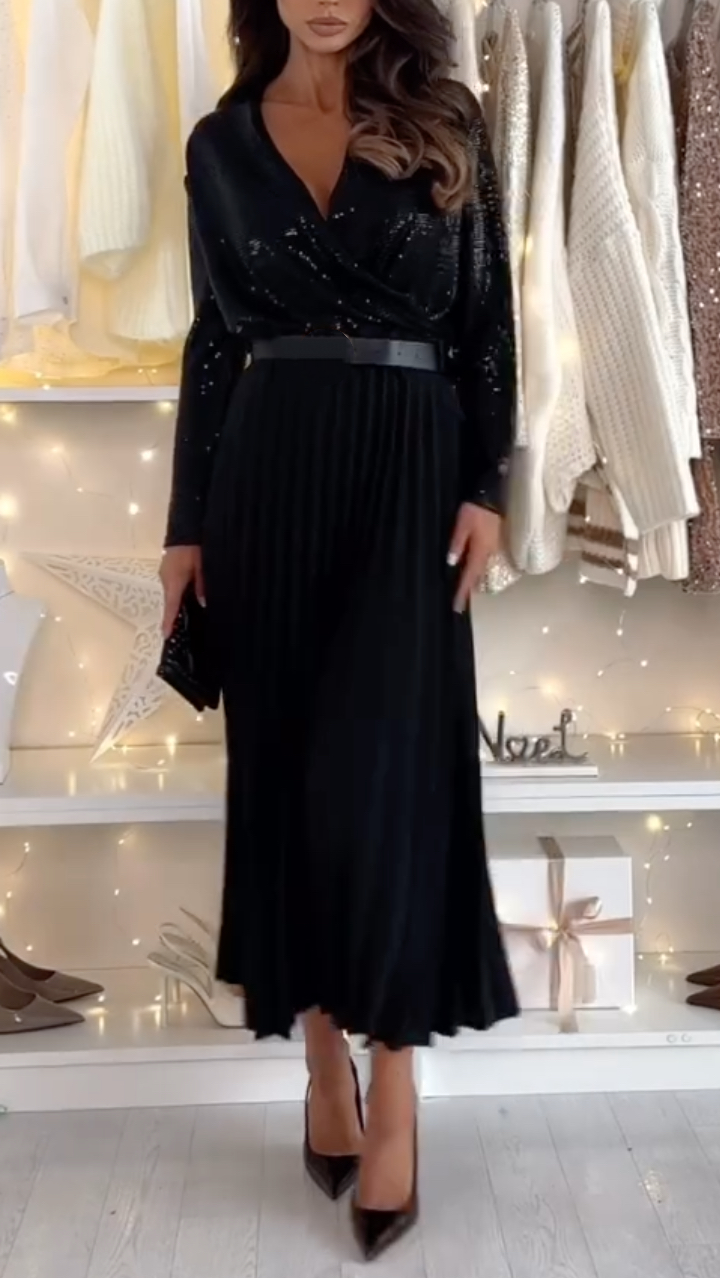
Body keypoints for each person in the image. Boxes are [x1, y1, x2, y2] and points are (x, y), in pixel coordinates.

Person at [160, 0, 518, 1261]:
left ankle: (398, 1082)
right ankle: (323, 1058)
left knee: (393, 786)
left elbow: (488, 323)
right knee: (289, 779)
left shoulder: (446, 118)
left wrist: (489, 485)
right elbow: (215, 345)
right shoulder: (220, 143)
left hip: (411, 472)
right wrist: (186, 524)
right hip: (270, 476)